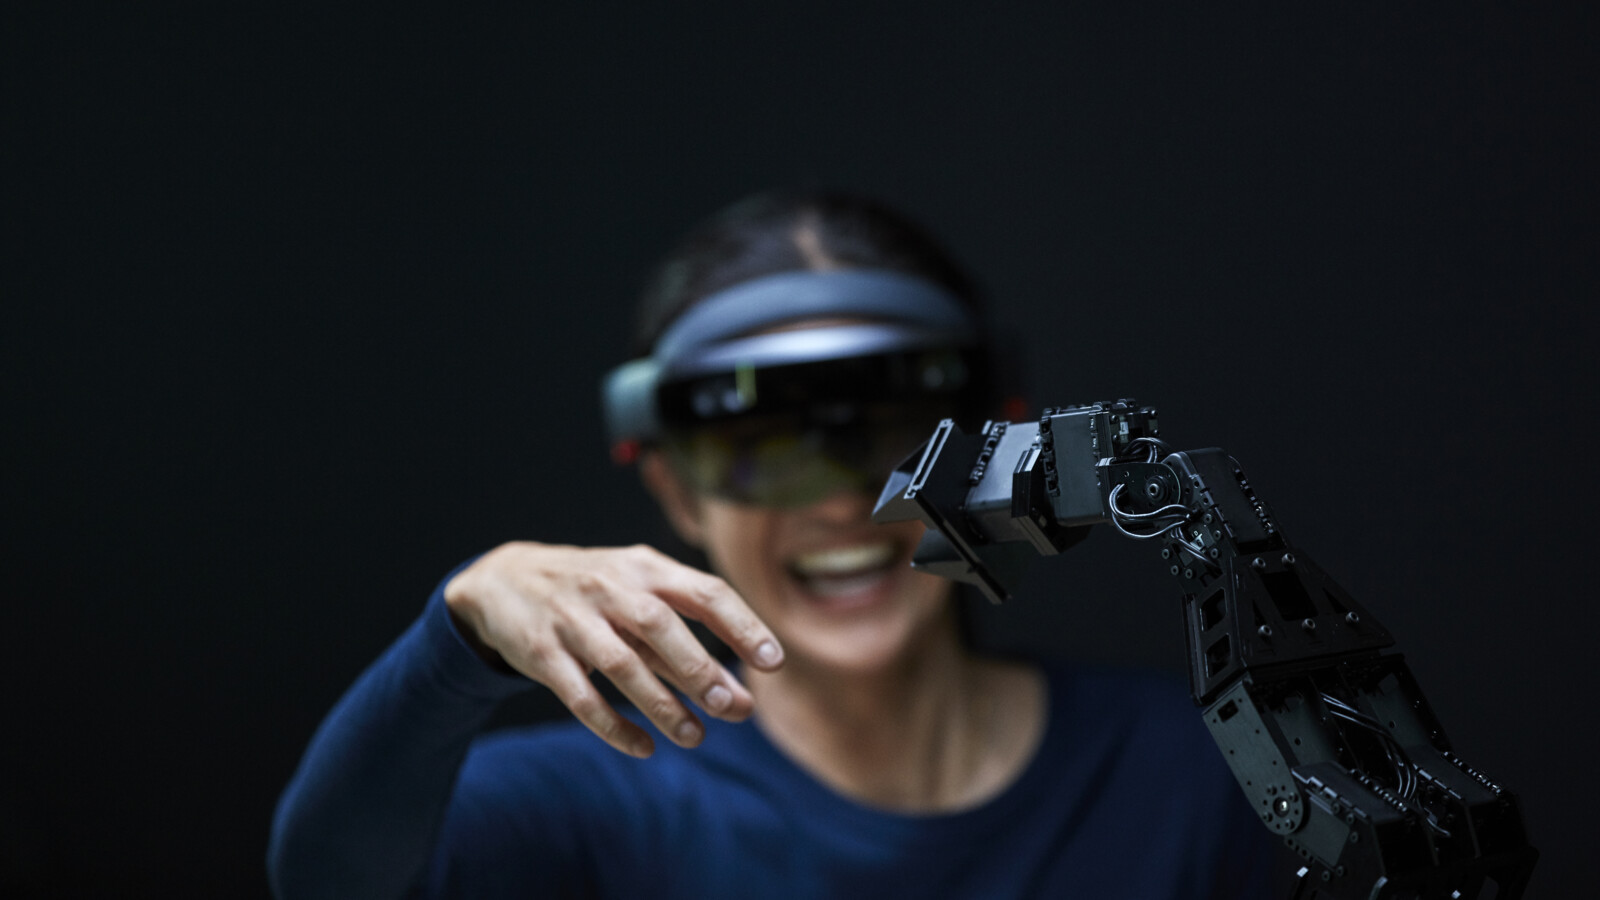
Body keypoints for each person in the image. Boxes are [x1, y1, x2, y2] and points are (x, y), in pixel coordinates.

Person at [268, 190, 1281, 899]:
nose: (842, 500)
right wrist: (458, 640)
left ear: (996, 453)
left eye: (890, 433)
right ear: (673, 488)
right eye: (760, 449)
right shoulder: (579, 803)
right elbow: (325, 882)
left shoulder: (1193, 773)